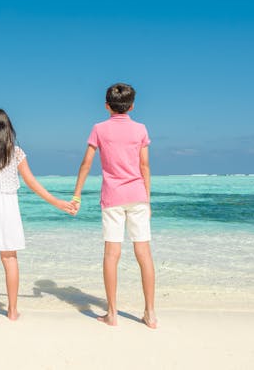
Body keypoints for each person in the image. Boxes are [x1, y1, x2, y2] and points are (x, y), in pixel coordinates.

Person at [0, 108, 77, 321]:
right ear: (7, 128)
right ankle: (12, 311)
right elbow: (32, 183)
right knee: (10, 258)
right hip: (7, 206)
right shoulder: (15, 152)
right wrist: (57, 202)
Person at [72, 83, 157, 328]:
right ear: (132, 106)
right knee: (144, 254)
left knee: (112, 254)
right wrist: (147, 200)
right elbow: (145, 167)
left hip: (112, 197)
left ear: (107, 106)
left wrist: (77, 194)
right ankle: (150, 314)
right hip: (138, 195)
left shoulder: (99, 128)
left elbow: (86, 164)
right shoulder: (140, 129)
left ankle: (112, 313)